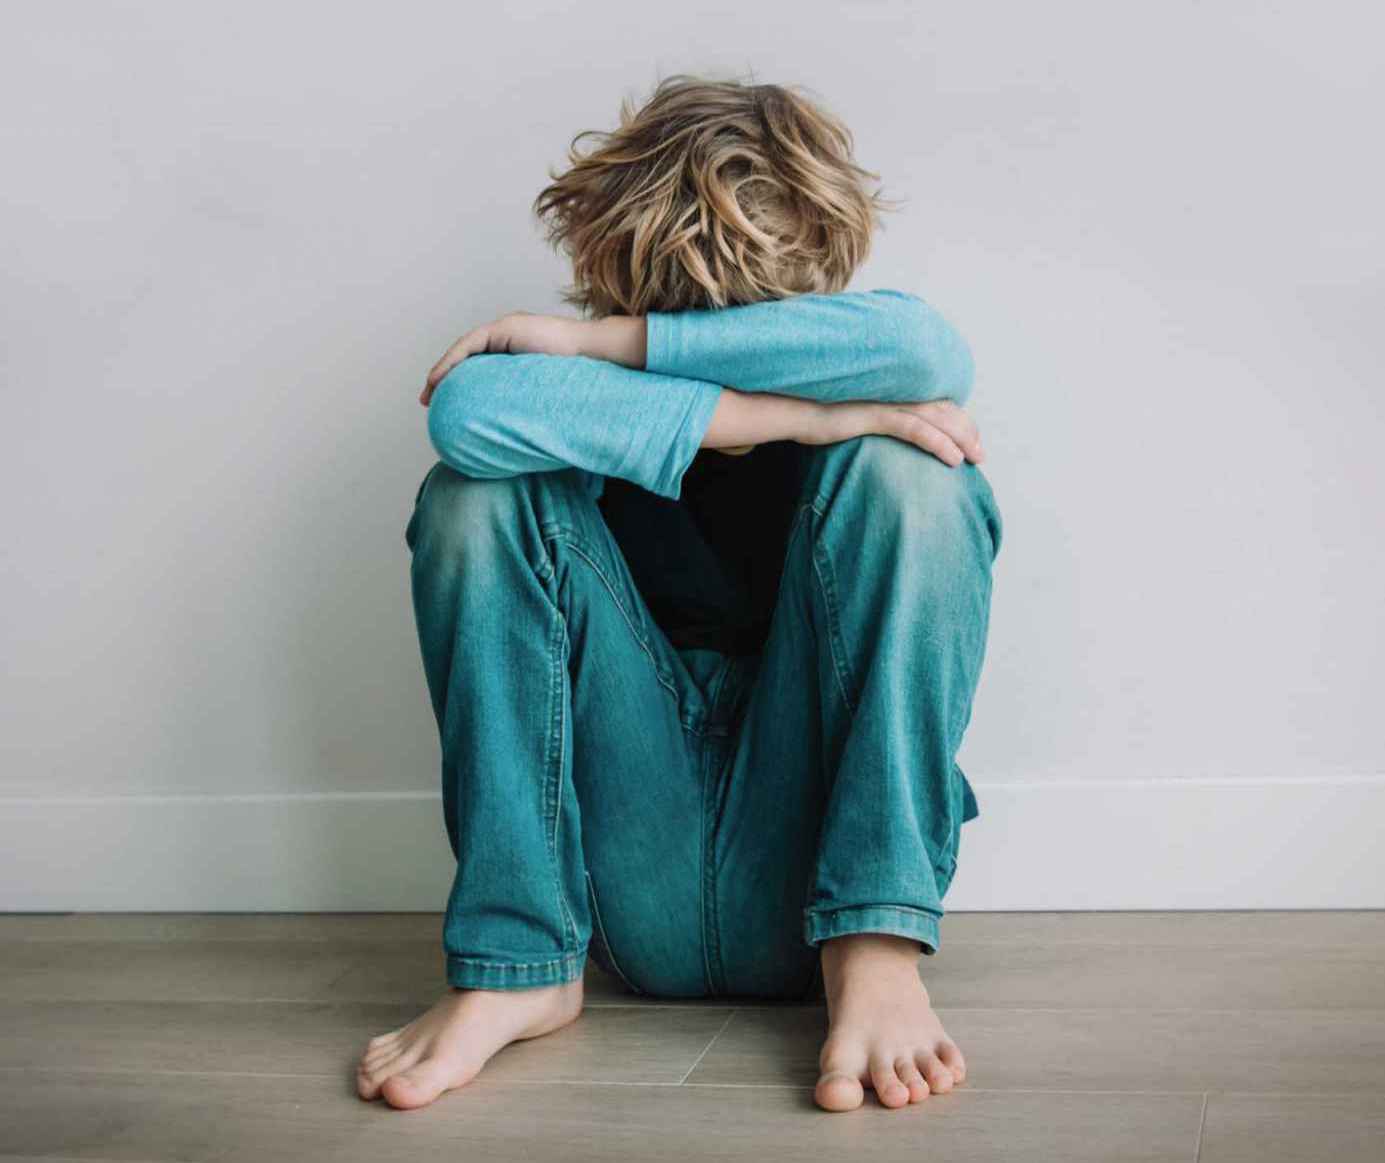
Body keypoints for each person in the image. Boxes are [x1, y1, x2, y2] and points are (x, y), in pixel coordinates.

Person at [356, 73, 1002, 1114]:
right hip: (624, 858)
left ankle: (878, 954)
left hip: (814, 876)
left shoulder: (859, 348)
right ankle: (517, 968)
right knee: (467, 498)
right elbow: (466, 412)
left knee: (914, 475)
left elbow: (933, 352)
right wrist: (802, 419)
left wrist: (612, 338)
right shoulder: (572, 400)